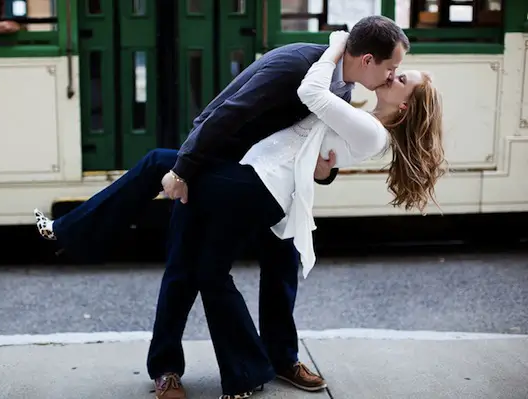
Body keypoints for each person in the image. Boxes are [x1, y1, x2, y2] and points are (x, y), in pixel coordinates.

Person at [33, 16, 432, 399]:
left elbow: (315, 149)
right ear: (367, 60)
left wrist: (324, 173)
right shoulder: (296, 65)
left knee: (279, 270)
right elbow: (227, 113)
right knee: (186, 268)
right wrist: (186, 168)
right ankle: (167, 369)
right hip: (217, 164)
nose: (393, 74)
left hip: (269, 187)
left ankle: (280, 360)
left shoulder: (343, 88)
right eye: (393, 67)